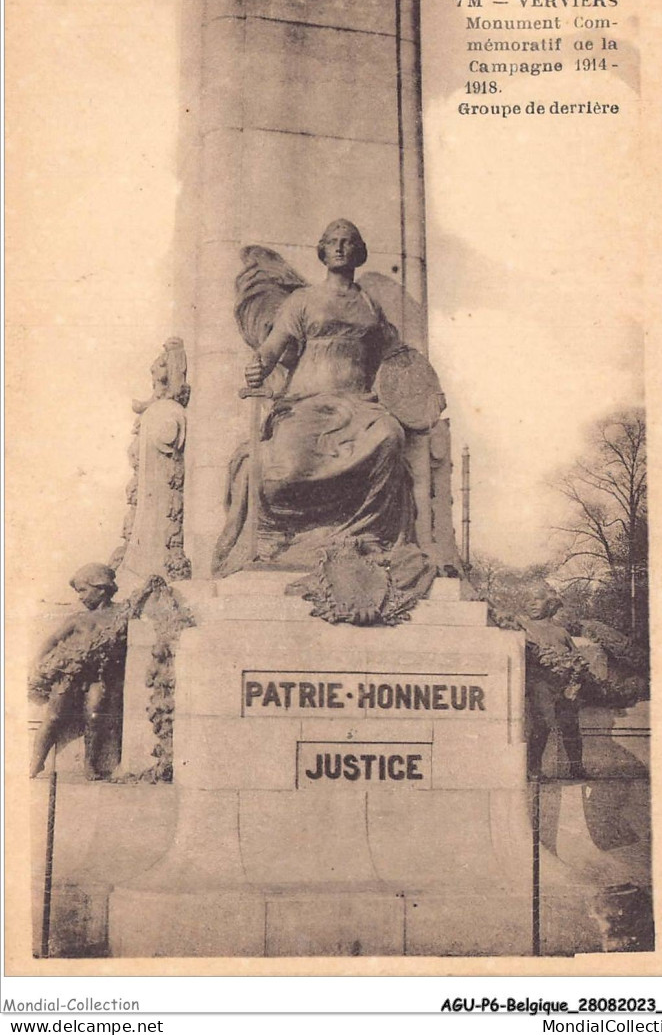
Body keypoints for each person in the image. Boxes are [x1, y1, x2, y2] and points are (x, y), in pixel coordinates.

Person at [212, 220, 419, 576]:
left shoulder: (370, 305)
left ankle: (364, 538)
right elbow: (272, 347)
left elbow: (394, 357)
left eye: (348, 242)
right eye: (333, 242)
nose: (340, 248)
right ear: (322, 252)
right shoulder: (303, 300)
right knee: (285, 470)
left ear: (359, 251)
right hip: (307, 402)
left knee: (390, 436)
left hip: (359, 405)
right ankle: (283, 539)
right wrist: (258, 366)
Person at [29, 565, 161, 779]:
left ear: (101, 588)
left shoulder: (119, 614)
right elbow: (52, 640)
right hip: (70, 673)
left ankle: (90, 764)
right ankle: (36, 761)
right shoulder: (78, 619)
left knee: (94, 714)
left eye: (83, 590)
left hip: (97, 675)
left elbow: (139, 606)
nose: (80, 597)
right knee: (53, 716)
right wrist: (36, 661)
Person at [517, 581, 587, 780]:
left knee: (571, 724)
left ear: (549, 604)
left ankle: (576, 767)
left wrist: (575, 681)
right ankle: (533, 770)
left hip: (563, 684)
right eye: (528, 600)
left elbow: (577, 658)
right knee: (543, 723)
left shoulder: (561, 632)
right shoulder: (523, 627)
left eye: (537, 600)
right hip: (539, 682)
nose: (532, 604)